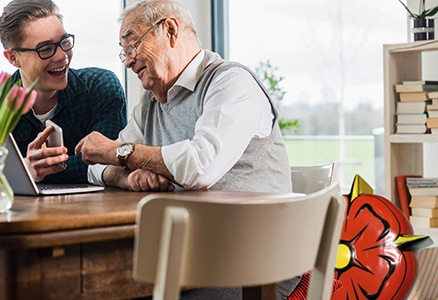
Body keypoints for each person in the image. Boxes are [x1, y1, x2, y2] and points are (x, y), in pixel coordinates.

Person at [75, 0, 297, 298]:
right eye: (123, 52)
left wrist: (120, 153)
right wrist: (126, 176)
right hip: (192, 255)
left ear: (169, 30)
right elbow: (96, 168)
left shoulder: (231, 82)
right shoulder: (151, 103)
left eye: (132, 46)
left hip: (254, 263)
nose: (127, 61)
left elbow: (200, 167)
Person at [0, 0, 127, 185]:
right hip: (17, 212)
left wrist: (26, 171)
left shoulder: (100, 86)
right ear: (13, 58)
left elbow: (110, 160)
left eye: (64, 42)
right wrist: (26, 167)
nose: (62, 56)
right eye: (46, 49)